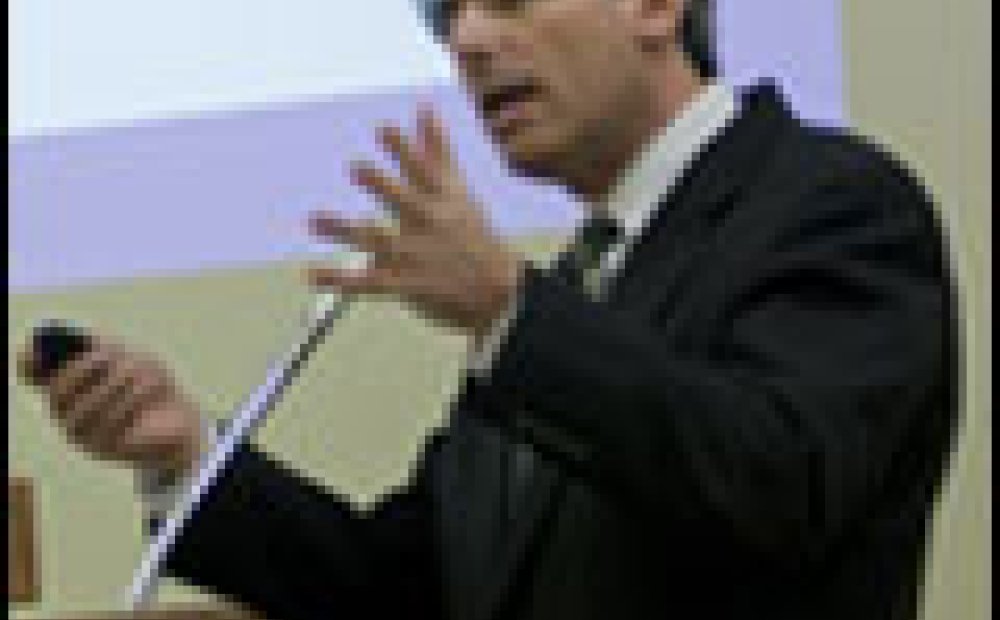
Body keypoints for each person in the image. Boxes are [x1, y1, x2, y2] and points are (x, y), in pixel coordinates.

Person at [18, 0, 960, 618]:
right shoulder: (571, 292)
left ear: (654, 6)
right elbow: (407, 589)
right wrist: (184, 455)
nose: (466, 41)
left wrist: (510, 313)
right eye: (447, 14)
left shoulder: (831, 202)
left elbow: (781, 485)